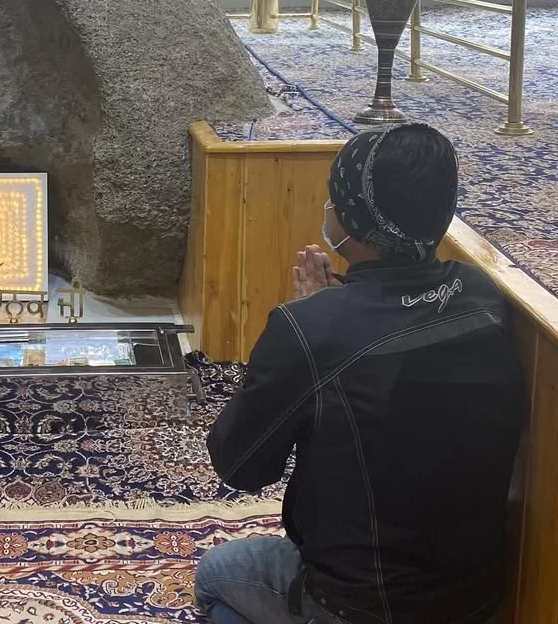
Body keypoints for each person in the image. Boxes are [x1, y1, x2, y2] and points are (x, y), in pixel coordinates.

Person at [195, 124, 525, 624]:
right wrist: (326, 315)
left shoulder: (309, 331)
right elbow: (397, 336)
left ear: (353, 218)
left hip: (365, 606)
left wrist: (302, 334)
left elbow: (240, 468)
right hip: (476, 597)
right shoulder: (478, 294)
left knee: (219, 573)